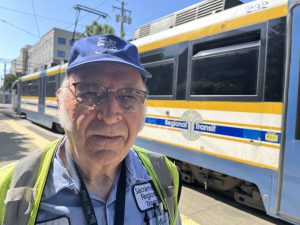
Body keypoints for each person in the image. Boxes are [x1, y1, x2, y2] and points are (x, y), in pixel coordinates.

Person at [0, 34, 181, 225]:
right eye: (90, 93)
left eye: (129, 96)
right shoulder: (10, 188)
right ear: (60, 100)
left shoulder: (166, 174)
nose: (111, 115)